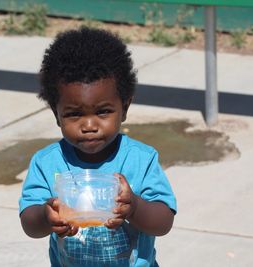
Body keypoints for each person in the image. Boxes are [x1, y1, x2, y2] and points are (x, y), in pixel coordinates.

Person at [19, 27, 177, 267]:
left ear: (124, 107)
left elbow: (163, 221)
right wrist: (45, 216)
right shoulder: (47, 162)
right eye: (74, 114)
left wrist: (134, 206)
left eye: (103, 111)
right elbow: (29, 223)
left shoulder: (140, 159)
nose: (90, 125)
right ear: (57, 114)